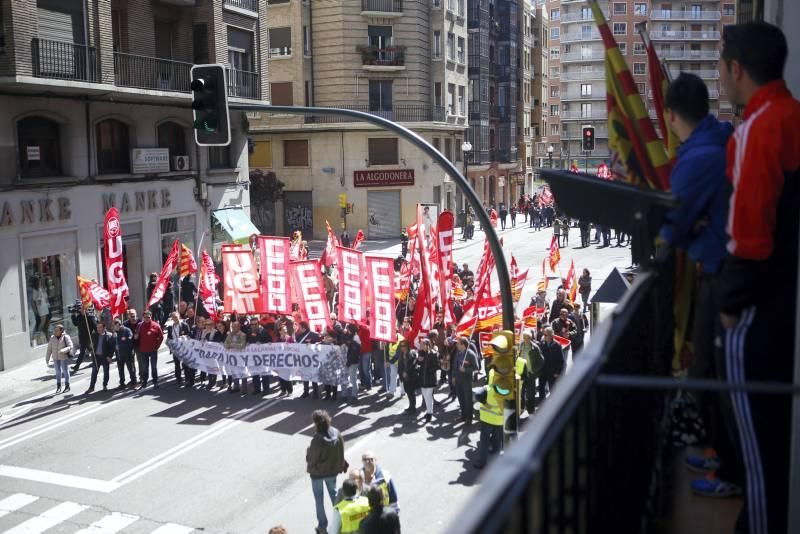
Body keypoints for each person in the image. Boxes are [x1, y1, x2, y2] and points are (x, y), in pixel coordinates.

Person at [716, 22, 800, 534]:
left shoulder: (760, 126)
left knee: (757, 447)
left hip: (758, 305)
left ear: (737, 70)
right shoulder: (792, 116)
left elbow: (750, 230)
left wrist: (730, 300)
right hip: (784, 297)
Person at [657, 71, 743, 498]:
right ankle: (721, 452)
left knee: (720, 373)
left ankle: (730, 470)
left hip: (720, 274)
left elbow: (672, 227)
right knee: (713, 371)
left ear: (670, 116)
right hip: (722, 267)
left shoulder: (697, 158)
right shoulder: (721, 138)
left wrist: (678, 232)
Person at [306, 410, 346, 534]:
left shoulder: (317, 440)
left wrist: (308, 453)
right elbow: (341, 450)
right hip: (332, 471)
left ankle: (322, 526)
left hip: (317, 473)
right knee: (334, 494)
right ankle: (341, 519)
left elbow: (312, 458)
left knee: (319, 499)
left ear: (317, 423)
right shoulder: (336, 432)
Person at [451, 336, 480, 424]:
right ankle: (463, 415)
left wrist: (466, 370)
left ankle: (469, 417)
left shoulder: (470, 354)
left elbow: (476, 368)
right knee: (461, 398)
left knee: (468, 399)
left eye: (458, 344)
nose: (456, 345)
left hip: (466, 381)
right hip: (458, 380)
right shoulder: (458, 353)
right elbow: (455, 366)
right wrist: (453, 376)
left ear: (463, 345)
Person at [135, 310, 164, 390]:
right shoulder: (140, 326)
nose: (146, 319)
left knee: (154, 367)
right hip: (143, 350)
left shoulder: (156, 326)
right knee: (144, 367)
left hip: (153, 350)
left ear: (151, 317)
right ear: (143, 318)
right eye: (145, 317)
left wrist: (157, 346)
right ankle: (144, 382)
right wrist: (136, 337)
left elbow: (161, 337)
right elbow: (137, 336)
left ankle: (155, 382)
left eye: (148, 317)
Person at [518, 331, 543, 412]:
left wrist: (533, 370)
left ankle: (530, 410)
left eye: (527, 338)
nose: (526, 340)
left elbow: (541, 361)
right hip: (521, 372)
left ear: (530, 338)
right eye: (524, 338)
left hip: (530, 373)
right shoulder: (520, 346)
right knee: (520, 392)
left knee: (530, 393)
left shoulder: (535, 348)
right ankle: (521, 407)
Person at [86, 321, 115, 394]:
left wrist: (110, 356)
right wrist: (90, 347)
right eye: (97, 327)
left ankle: (105, 385)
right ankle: (91, 387)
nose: (98, 329)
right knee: (94, 373)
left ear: (104, 327)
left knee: (106, 372)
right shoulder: (94, 335)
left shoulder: (109, 335)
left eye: (100, 327)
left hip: (105, 357)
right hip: (96, 357)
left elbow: (112, 348)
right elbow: (89, 345)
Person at [45, 324, 73, 394]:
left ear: (61, 331)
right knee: (57, 372)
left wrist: (63, 350)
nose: (55, 331)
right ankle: (59, 387)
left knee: (65, 371)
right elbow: (49, 349)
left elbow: (70, 346)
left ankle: (67, 386)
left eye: (57, 330)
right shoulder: (52, 338)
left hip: (63, 357)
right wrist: (47, 359)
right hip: (55, 357)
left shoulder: (66, 337)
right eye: (55, 330)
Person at [538, 327, 564, 401]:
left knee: (553, 390)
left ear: (551, 335)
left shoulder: (557, 345)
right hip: (543, 371)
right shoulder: (542, 343)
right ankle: (542, 404)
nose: (544, 336)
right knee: (541, 389)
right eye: (544, 335)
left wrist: (558, 372)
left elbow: (561, 360)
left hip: (552, 372)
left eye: (546, 335)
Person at [417, 338, 439, 424]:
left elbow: (437, 366)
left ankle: (430, 413)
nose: (421, 346)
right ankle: (428, 411)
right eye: (421, 345)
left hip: (430, 379)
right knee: (425, 396)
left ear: (427, 345)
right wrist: (419, 361)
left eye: (422, 345)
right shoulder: (421, 353)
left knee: (429, 396)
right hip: (423, 378)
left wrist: (429, 370)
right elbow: (418, 364)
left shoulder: (433, 354)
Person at [70, 306, 97, 373]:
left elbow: (95, 327)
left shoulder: (90, 317)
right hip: (82, 338)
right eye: (81, 309)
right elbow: (75, 324)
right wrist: (73, 315)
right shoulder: (79, 317)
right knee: (91, 351)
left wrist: (96, 335)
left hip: (89, 338)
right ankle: (96, 361)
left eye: (83, 309)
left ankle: (77, 366)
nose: (82, 310)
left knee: (83, 352)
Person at [166, 311, 190, 385]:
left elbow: (189, 334)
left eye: (176, 317)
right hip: (175, 348)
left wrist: (184, 337)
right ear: (172, 318)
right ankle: (178, 378)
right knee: (177, 364)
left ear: (179, 316)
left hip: (183, 347)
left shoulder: (184, 325)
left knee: (185, 364)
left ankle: (187, 379)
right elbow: (169, 337)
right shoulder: (170, 327)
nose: (175, 318)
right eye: (173, 317)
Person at [224, 320, 247, 393]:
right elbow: (225, 344)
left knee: (243, 372)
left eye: (235, 327)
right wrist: (230, 345)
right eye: (232, 327)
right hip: (233, 357)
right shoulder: (230, 335)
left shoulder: (243, 335)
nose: (233, 328)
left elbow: (242, 345)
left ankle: (244, 388)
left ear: (239, 327)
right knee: (234, 371)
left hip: (241, 357)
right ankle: (236, 387)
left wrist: (232, 345)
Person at [113, 318, 135, 389]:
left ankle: (134, 381)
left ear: (120, 325)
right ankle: (122, 383)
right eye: (114, 326)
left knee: (131, 368)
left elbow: (131, 339)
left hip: (127, 353)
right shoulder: (115, 333)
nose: (115, 328)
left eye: (116, 326)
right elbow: (112, 342)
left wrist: (125, 339)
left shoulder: (126, 330)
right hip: (119, 354)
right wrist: (114, 344)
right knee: (120, 370)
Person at [397, 340, 418, 414]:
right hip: (404, 376)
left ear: (407, 346)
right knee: (408, 392)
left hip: (411, 376)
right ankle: (411, 406)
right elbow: (400, 365)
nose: (402, 348)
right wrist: (401, 373)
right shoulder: (401, 354)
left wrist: (407, 372)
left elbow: (413, 365)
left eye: (404, 346)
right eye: (401, 346)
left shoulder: (411, 353)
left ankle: (413, 408)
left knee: (411, 392)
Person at [30, 277, 51, 342]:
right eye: (39, 281)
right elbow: (34, 301)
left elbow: (45, 297)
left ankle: (45, 337)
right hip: (41, 308)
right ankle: (37, 335)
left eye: (40, 281)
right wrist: (35, 310)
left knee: (46, 322)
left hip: (46, 306)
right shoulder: (35, 290)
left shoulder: (41, 288)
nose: (40, 282)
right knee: (43, 321)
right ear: (36, 283)